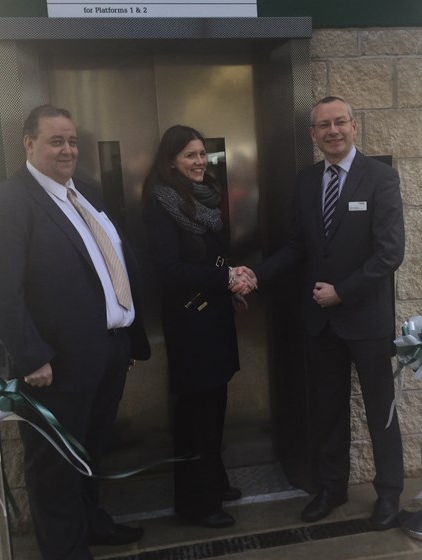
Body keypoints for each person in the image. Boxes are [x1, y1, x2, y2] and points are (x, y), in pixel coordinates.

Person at [0, 104, 151, 559]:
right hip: (54, 365)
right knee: (54, 465)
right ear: (29, 144)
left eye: (71, 140)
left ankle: (92, 524)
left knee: (90, 452)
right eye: (56, 141)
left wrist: (124, 336)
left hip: (107, 352)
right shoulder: (5, 205)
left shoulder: (86, 192)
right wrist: (31, 357)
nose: (67, 149)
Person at [239, 96, 405, 530]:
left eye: (339, 122)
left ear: (354, 125)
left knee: (380, 412)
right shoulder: (306, 181)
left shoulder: (381, 178)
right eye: (323, 126)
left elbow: (389, 254)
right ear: (312, 135)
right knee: (328, 411)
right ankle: (332, 489)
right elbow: (297, 246)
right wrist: (256, 276)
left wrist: (342, 292)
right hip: (321, 323)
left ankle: (389, 495)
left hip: (366, 321)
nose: (332, 131)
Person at [142, 125, 253, 529]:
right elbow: (169, 271)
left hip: (214, 318)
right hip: (190, 324)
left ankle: (214, 480)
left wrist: (231, 286)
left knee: (214, 405)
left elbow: (215, 259)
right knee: (196, 414)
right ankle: (195, 502)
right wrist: (222, 279)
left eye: (202, 154)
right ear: (170, 159)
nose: (199, 161)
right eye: (190, 155)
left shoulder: (204, 198)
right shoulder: (160, 202)